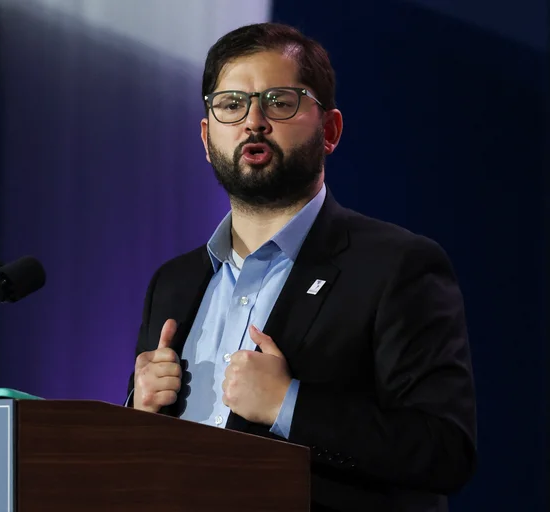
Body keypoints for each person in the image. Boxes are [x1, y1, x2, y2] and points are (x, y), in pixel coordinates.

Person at [125, 22, 477, 512]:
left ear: (329, 130)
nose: (253, 122)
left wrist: (287, 405)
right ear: (207, 138)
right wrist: (136, 413)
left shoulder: (396, 266)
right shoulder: (174, 281)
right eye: (232, 104)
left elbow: (443, 450)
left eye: (280, 101)